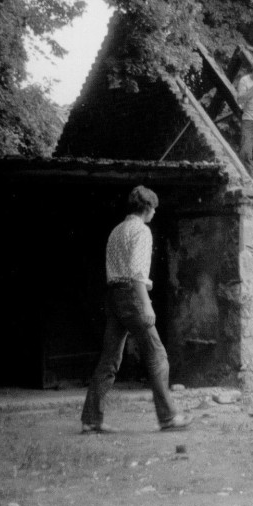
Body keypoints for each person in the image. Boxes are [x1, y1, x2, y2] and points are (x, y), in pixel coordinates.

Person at [81, 185, 190, 434]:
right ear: (147, 208)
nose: (155, 213)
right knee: (158, 356)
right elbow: (137, 273)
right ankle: (168, 417)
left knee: (109, 360)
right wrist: (146, 304)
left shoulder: (116, 230)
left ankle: (91, 419)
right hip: (131, 296)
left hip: (113, 296)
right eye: (154, 208)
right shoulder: (141, 231)